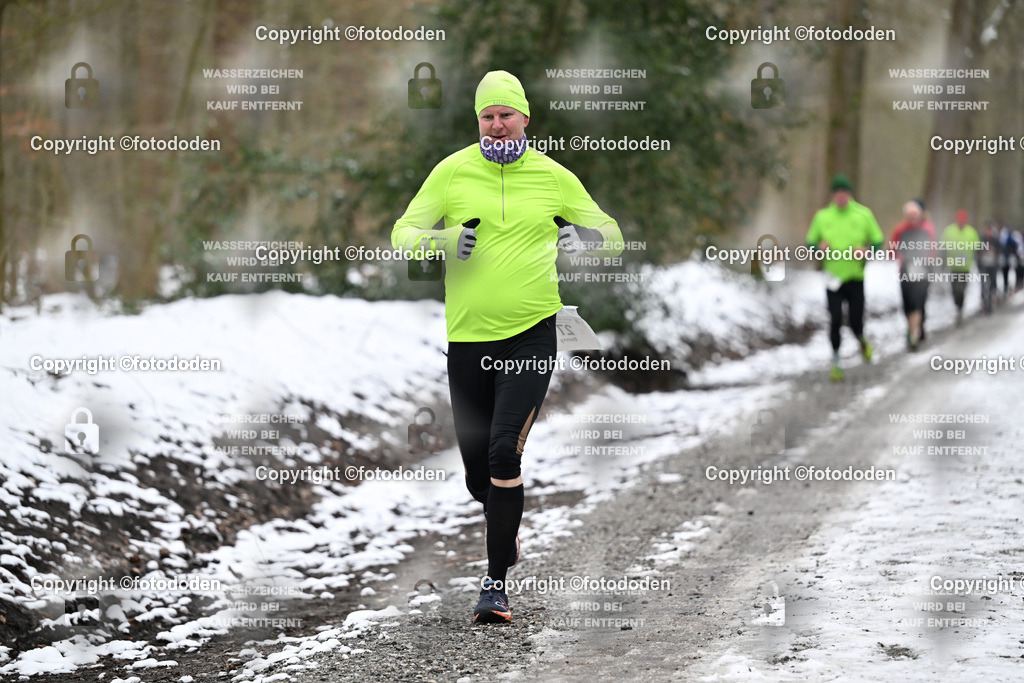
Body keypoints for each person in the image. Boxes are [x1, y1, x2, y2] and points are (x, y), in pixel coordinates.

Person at [392, 70, 622, 624]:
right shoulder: (451, 172)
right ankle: (505, 532)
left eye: (505, 115)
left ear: (525, 118)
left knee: (503, 453)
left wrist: (584, 237)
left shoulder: (553, 178)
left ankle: (494, 585)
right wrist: (443, 239)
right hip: (468, 340)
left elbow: (611, 233)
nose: (496, 126)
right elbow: (403, 234)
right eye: (486, 117)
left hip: (531, 334)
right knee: (478, 473)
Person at [805, 173, 884, 382]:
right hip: (833, 277)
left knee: (856, 320)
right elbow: (810, 242)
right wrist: (818, 247)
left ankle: (861, 341)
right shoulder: (822, 217)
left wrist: (867, 251)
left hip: (855, 277)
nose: (841, 197)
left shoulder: (863, 214)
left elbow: (878, 241)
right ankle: (837, 362)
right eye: (837, 193)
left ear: (849, 194)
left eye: (844, 193)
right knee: (835, 319)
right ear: (832, 195)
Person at [889, 199, 936, 350]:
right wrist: (900, 258)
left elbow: (933, 250)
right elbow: (892, 250)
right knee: (908, 304)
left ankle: (914, 336)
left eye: (915, 214)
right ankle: (912, 330)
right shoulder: (900, 230)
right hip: (905, 272)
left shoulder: (927, 230)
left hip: (922, 272)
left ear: (921, 215)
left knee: (918, 302)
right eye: (910, 215)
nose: (913, 218)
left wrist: (926, 260)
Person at [940, 209, 979, 326]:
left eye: (963, 221)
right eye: (959, 220)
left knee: (962, 288)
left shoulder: (971, 232)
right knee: (954, 289)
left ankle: (960, 308)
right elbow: (943, 248)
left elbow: (977, 248)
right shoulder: (949, 231)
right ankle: (957, 306)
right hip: (953, 266)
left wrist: (977, 261)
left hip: (965, 267)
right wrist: (942, 262)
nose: (961, 223)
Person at [977, 221, 1000, 314]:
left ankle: (989, 303)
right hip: (983, 266)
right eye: (987, 230)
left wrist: (994, 252)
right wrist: (982, 253)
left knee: (991, 284)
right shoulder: (981, 239)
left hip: (992, 267)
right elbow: (977, 251)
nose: (988, 232)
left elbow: (1000, 252)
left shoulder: (995, 240)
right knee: (983, 285)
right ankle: (984, 303)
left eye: (990, 230)